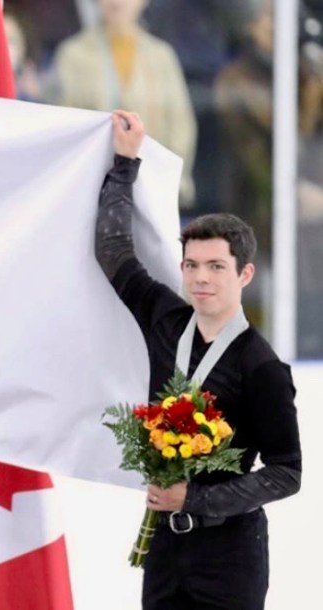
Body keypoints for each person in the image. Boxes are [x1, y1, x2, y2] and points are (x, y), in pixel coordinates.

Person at [96, 110, 301, 610]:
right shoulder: (166, 318)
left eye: (215, 267)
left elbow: (286, 471)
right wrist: (125, 164)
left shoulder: (262, 366)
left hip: (231, 553)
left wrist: (197, 500)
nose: (200, 279)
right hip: (166, 546)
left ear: (245, 273)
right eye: (191, 265)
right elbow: (113, 250)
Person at [52, 0, 197, 207]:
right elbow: (65, 126)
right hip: (92, 192)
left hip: (154, 191)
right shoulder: (72, 55)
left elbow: (181, 126)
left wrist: (167, 181)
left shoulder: (161, 56)